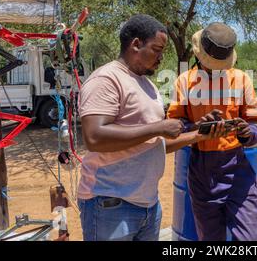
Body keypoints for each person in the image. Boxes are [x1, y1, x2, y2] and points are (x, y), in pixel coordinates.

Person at [77, 14, 226, 241]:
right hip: (111, 203)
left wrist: (198, 133)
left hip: (147, 205)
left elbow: (154, 143)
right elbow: (94, 137)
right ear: (136, 44)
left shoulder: (147, 85)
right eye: (157, 49)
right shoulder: (107, 79)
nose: (160, 57)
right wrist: (158, 127)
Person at [167, 22, 257, 241]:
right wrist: (197, 127)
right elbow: (173, 126)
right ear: (201, 56)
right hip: (203, 174)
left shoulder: (242, 79)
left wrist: (246, 132)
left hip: (239, 170)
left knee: (248, 238)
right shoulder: (184, 82)